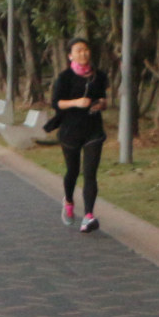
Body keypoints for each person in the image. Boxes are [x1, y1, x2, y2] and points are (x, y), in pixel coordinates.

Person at [49, 39, 111, 231]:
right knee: (73, 171)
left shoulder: (99, 76)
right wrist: (76, 102)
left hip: (93, 129)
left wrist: (101, 104)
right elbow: (56, 103)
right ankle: (68, 201)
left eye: (86, 49)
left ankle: (88, 216)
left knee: (90, 173)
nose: (83, 53)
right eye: (78, 50)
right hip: (70, 130)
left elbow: (103, 99)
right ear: (70, 56)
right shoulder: (65, 77)